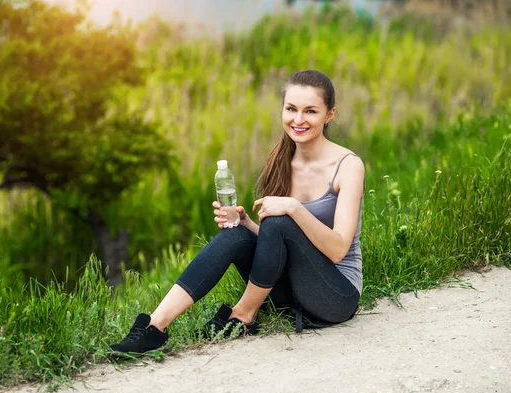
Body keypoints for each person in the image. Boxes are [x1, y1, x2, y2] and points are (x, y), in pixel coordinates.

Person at [110, 69, 365, 354]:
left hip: (335, 295)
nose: (298, 120)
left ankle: (243, 315)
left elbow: (338, 249)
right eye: (291, 109)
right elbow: (277, 243)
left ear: (329, 115)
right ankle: (154, 327)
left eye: (311, 111)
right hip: (291, 292)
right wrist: (246, 223)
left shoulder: (348, 165)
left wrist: (293, 207)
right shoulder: (281, 161)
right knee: (236, 235)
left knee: (281, 218)